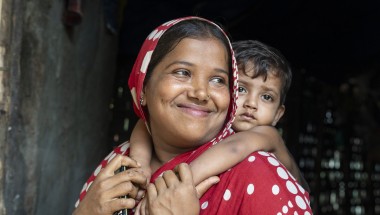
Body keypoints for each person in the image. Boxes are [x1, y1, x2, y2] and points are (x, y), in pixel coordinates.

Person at [73, 16, 313, 215]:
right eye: (182, 72)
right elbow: (142, 128)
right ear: (143, 86)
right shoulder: (117, 164)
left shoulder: (256, 173)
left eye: (218, 80)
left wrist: (178, 184)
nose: (200, 93)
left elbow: (234, 149)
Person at [129, 40, 310, 196]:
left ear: (278, 114)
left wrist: (174, 187)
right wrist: (140, 165)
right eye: (241, 89)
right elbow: (145, 124)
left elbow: (234, 148)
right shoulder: (215, 128)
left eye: (267, 97)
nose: (251, 104)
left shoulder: (267, 135)